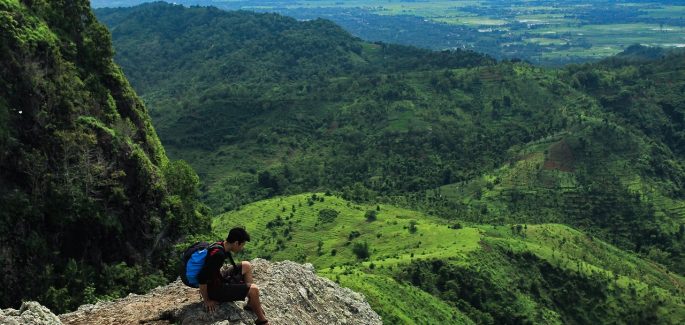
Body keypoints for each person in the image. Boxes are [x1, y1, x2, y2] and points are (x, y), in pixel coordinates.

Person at [197, 227, 269, 325]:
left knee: (246, 265)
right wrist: (207, 300)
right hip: (215, 291)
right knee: (254, 289)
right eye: (242, 245)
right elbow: (202, 277)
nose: (242, 248)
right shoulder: (218, 255)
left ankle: (251, 303)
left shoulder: (220, 245)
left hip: (218, 280)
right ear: (236, 243)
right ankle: (262, 321)